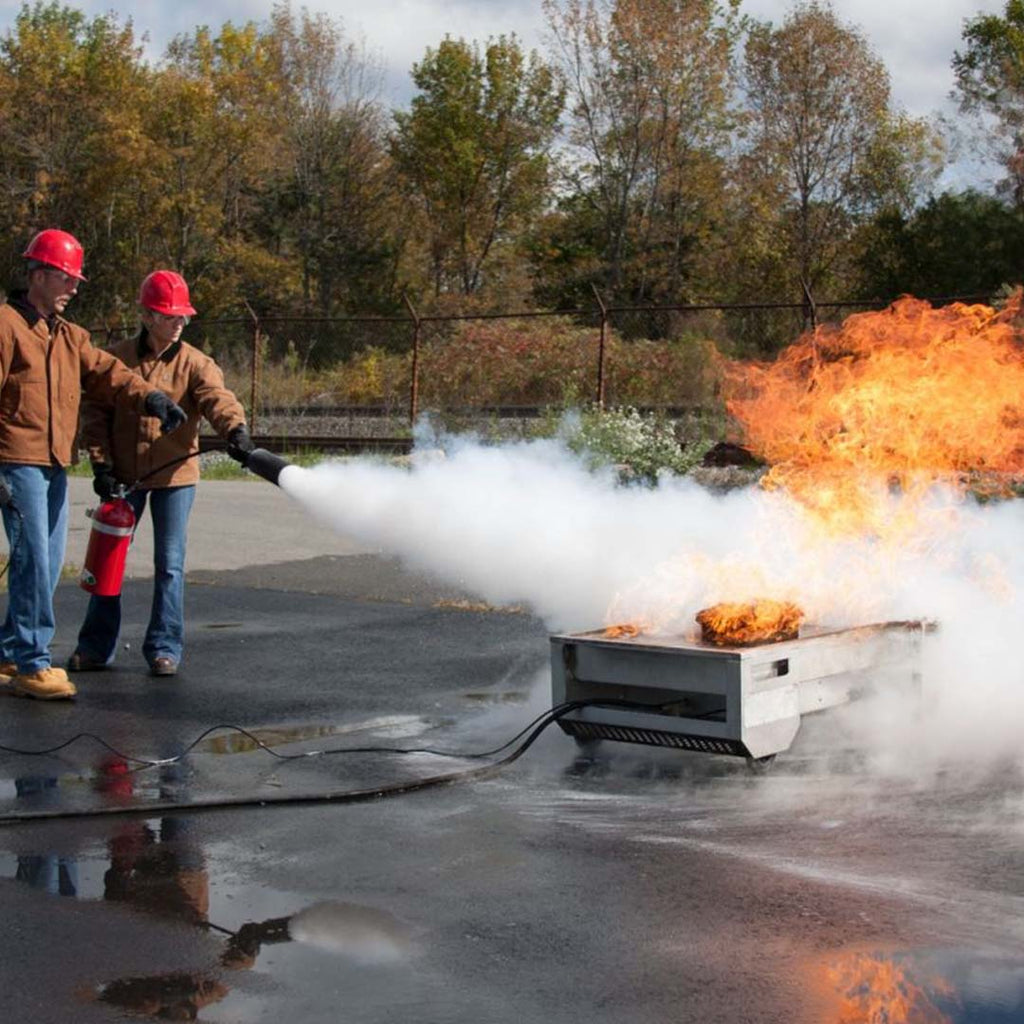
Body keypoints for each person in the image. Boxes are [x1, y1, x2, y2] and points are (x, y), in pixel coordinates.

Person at [0, 230, 187, 701]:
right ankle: (32, 663)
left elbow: (109, 372)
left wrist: (153, 397)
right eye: (67, 278)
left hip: (54, 462)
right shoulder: (5, 326)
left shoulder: (67, 335)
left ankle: (8, 649)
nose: (75, 288)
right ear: (39, 275)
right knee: (33, 561)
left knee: (47, 562)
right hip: (15, 459)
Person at [68, 269, 254, 678]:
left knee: (170, 563)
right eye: (172, 316)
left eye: (183, 317)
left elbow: (217, 399)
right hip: (124, 477)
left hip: (175, 478)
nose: (180, 323)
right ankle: (95, 647)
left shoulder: (195, 363)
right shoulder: (117, 359)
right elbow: (95, 415)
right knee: (108, 560)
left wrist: (235, 430)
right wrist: (101, 465)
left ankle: (164, 648)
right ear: (149, 316)